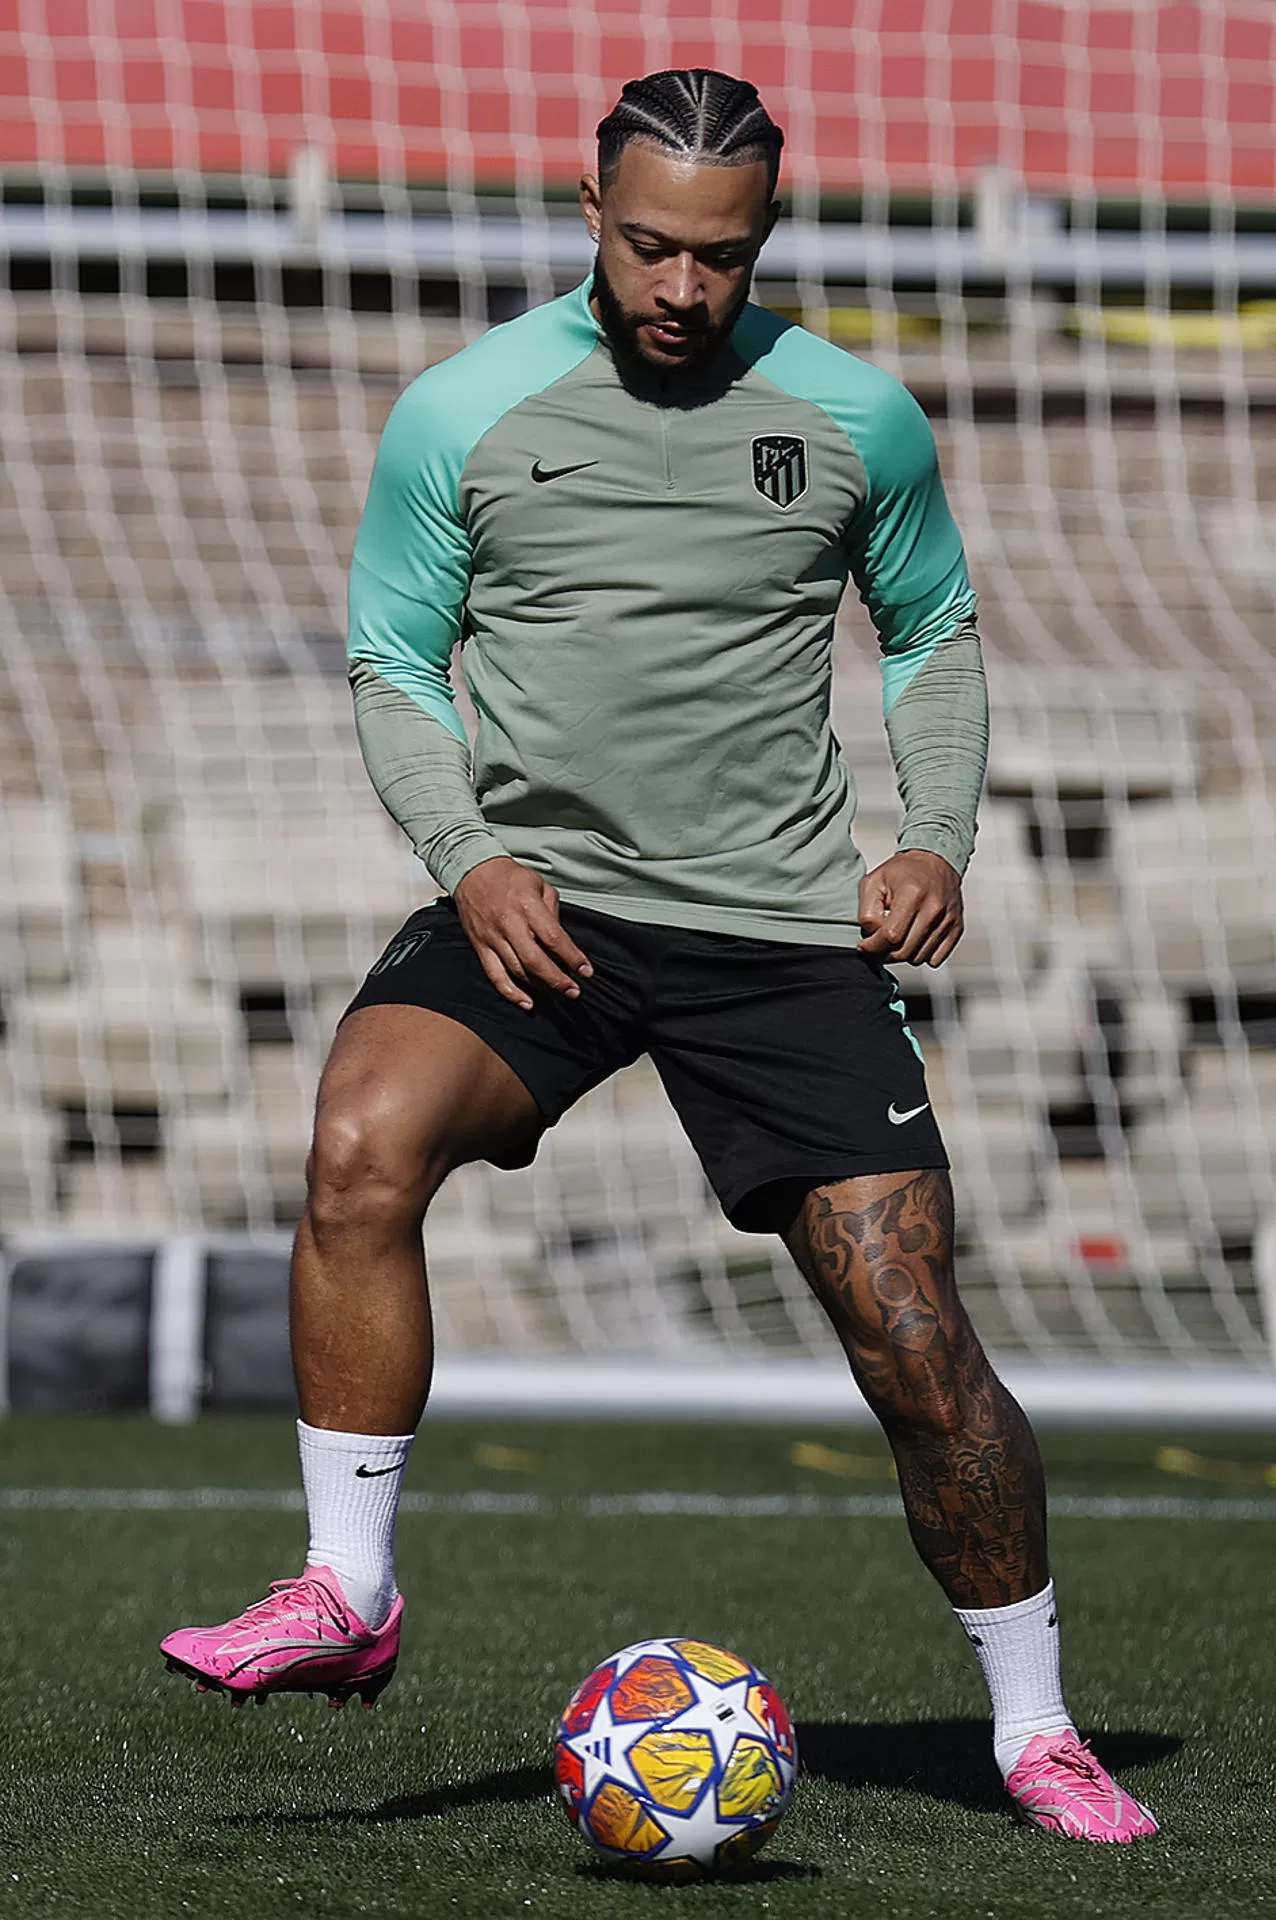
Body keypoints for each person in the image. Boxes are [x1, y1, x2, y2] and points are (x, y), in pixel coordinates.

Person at [161, 68, 1155, 1843]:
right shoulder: (461, 408)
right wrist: (467, 861)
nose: (681, 290)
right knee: (359, 1144)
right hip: (546, 909)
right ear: (589, 211)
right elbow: (395, 664)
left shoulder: (859, 415)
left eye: (720, 254)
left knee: (917, 1346)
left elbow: (932, 625)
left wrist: (938, 832)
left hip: (778, 935)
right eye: (646, 247)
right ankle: (347, 1588)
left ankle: (1033, 1724)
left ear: (764, 238)